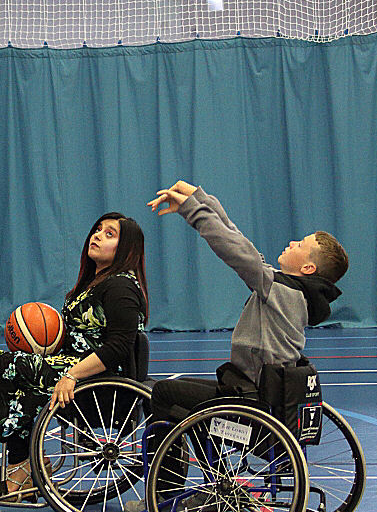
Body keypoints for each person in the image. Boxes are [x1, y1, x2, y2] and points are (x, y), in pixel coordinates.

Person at [146, 181, 347, 422]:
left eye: (301, 244)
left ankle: (169, 449)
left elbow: (233, 248)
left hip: (250, 396)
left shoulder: (281, 290)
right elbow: (237, 240)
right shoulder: (292, 291)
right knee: (181, 389)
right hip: (260, 389)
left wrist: (191, 209)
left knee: (163, 392)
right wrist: (200, 198)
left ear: (308, 268)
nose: (293, 243)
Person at [0, 213, 148, 497]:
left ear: (127, 248)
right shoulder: (95, 282)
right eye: (97, 229)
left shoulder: (121, 286)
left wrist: (71, 375)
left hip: (101, 381)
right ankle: (25, 460)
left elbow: (119, 347)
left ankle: (23, 463)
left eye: (109, 234)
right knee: (13, 376)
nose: (97, 235)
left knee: (3, 365)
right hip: (76, 369)